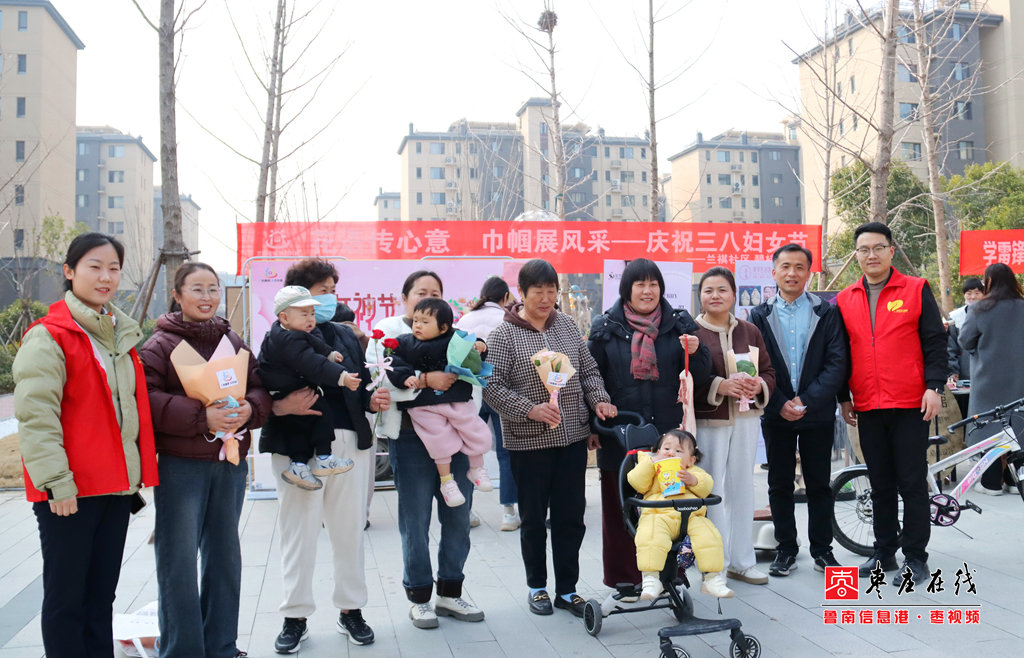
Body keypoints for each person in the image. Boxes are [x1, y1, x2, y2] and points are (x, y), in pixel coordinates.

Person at [13, 233, 159, 657]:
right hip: (69, 493)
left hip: (114, 489)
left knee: (101, 599)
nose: (106, 276)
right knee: (66, 601)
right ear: (69, 271)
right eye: (94, 266)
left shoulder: (118, 333)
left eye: (113, 268)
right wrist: (56, 482)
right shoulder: (49, 336)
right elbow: (36, 417)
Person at [140, 262, 272, 658]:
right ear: (177, 295)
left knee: (225, 557)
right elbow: (145, 399)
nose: (207, 297)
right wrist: (203, 417)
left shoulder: (233, 341)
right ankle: (182, 650)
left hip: (229, 462)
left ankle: (222, 647)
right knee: (177, 560)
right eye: (196, 289)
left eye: (213, 288)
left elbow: (260, 388)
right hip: (182, 464)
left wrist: (251, 409)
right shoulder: (159, 345)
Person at [263, 259, 390, 652]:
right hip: (296, 445)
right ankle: (294, 616)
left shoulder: (345, 335)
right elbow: (260, 389)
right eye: (322, 291)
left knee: (349, 529)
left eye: (333, 290)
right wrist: (280, 408)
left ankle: (351, 609)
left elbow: (362, 386)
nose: (330, 298)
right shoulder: (277, 338)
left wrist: (372, 400)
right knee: (297, 531)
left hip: (348, 440)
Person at [483, 259, 617, 618]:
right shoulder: (504, 335)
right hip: (529, 443)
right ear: (521, 293)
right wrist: (530, 409)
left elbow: (588, 371)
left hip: (572, 438)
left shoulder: (568, 327)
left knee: (570, 517)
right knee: (532, 518)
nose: (545, 298)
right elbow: (491, 388)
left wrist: (599, 402)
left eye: (550, 290)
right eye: (537, 291)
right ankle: (537, 587)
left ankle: (568, 589)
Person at [367, 270, 485, 630]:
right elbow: (380, 382)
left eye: (435, 293)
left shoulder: (457, 337)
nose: (426, 298)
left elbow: (473, 377)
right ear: (405, 298)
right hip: (411, 439)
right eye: (420, 293)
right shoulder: (386, 337)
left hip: (456, 438)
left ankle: (450, 592)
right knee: (414, 521)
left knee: (458, 517)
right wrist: (425, 381)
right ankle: (419, 596)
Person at [588, 257, 712, 594]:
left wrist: (698, 351)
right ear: (626, 290)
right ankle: (625, 577)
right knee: (622, 507)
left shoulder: (679, 325)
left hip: (668, 438)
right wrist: (593, 428)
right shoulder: (605, 329)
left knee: (670, 506)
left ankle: (670, 574)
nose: (647, 290)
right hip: (621, 434)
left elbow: (700, 375)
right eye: (639, 284)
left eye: (653, 284)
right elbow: (591, 380)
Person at [836, 222, 946, 586]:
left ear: (891, 251)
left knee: (912, 482)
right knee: (880, 483)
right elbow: (841, 354)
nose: (871, 255)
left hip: (911, 403)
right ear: (856, 255)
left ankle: (916, 556)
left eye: (878, 248)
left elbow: (934, 343)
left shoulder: (915, 289)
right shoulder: (845, 298)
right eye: (864, 249)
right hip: (867, 404)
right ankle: (884, 552)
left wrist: (934, 386)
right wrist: (843, 397)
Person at [748, 244, 848, 578]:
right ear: (774, 272)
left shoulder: (827, 311)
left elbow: (837, 363)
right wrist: (779, 403)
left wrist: (806, 400)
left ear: (809, 272)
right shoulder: (758, 315)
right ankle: (786, 549)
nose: (792, 273)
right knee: (779, 484)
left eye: (800, 267)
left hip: (816, 412)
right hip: (776, 413)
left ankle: (822, 549)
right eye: (785, 266)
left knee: (819, 484)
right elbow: (756, 366)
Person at [692, 266, 775, 586]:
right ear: (700, 296)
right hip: (710, 420)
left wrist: (759, 387)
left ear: (734, 294)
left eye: (722, 290)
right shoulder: (691, 333)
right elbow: (685, 377)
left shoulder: (749, 331)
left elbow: (768, 371)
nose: (715, 296)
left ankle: (742, 561)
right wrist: (718, 386)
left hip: (745, 419)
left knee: (742, 487)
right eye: (709, 290)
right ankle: (715, 564)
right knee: (711, 491)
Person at [388, 297, 494, 506]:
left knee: (472, 428)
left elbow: (474, 349)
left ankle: (476, 468)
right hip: (423, 406)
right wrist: (406, 378)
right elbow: (395, 363)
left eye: (425, 322)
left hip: (457, 399)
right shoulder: (404, 342)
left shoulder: (455, 338)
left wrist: (480, 346)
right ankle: (447, 482)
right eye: (416, 320)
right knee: (437, 438)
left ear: (444, 326)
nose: (418, 325)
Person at [259, 285, 361, 490]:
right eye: (304, 314)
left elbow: (313, 343)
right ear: (285, 317)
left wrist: (330, 354)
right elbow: (312, 362)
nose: (310, 319)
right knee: (321, 415)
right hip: (288, 389)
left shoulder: (287, 332)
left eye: (312, 313)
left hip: (289, 389)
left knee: (300, 428)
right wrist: (341, 376)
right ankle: (324, 457)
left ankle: (298, 465)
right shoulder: (288, 340)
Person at [628, 429, 732, 600]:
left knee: (709, 535)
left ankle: (712, 578)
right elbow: (636, 482)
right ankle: (651, 578)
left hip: (691, 516)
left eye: (678, 451)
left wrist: (693, 480)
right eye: (666, 449)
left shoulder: (693, 472)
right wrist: (651, 463)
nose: (670, 453)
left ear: (691, 460)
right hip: (658, 514)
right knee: (650, 536)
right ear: (657, 451)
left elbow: (707, 486)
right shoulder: (649, 465)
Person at [455, 276, 520, 531]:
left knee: (468, 451)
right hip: (500, 390)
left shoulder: (465, 320)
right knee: (507, 451)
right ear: (505, 297)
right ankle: (508, 513)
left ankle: (466, 511)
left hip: (469, 392)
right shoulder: (506, 320)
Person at [959, 263, 1024, 495]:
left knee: (988, 427)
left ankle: (991, 482)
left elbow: (965, 341)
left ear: (988, 282)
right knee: (1018, 425)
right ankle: (1015, 481)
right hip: (1020, 379)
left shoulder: (980, 309)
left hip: (987, 380)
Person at [946, 277, 983, 419]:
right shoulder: (956, 318)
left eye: (977, 292)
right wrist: (953, 372)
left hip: (984, 373)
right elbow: (951, 348)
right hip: (964, 375)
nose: (973, 296)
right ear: (963, 295)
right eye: (969, 293)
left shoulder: (990, 314)